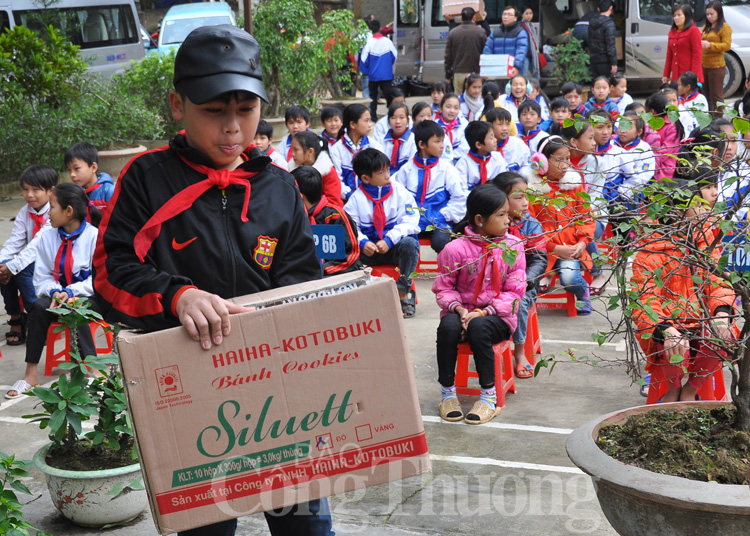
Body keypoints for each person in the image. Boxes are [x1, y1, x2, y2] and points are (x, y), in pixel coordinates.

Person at [92, 25, 335, 535]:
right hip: (191, 395)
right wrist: (176, 295)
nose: (232, 129)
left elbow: (302, 280)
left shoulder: (278, 186)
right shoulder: (145, 179)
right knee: (207, 530)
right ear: (178, 105)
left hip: (279, 397)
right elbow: (112, 272)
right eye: (213, 111)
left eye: (245, 111)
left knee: (306, 527)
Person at [632, 170, 735, 403]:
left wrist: (721, 313)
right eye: (697, 206)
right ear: (679, 212)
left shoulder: (706, 244)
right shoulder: (649, 252)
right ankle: (673, 387)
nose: (705, 209)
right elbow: (645, 302)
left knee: (721, 334)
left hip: (701, 321)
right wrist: (665, 328)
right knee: (675, 343)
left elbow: (719, 283)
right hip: (668, 327)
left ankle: (692, 388)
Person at [432, 184, 526, 424]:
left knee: (479, 327)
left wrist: (484, 311)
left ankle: (488, 396)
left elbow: (515, 292)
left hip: (498, 316)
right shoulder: (454, 250)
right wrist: (461, 309)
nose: (508, 220)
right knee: (448, 328)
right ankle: (447, 393)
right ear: (479, 220)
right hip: (461, 311)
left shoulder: (513, 246)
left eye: (508, 214)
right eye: (501, 215)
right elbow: (444, 287)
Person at [5, 183, 101, 399]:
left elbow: (98, 278)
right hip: (56, 298)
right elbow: (42, 277)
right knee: (37, 308)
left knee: (78, 307)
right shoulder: (47, 237)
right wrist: (56, 291)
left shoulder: (94, 236)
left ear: (69, 211)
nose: (48, 212)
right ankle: (30, 375)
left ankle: (92, 370)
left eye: (53, 207)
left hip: (89, 298)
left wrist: (71, 292)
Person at [345, 148, 421, 317]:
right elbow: (349, 226)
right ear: (366, 178)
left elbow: (411, 220)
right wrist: (363, 242)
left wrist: (390, 239)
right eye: (381, 172)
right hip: (369, 251)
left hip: (394, 249)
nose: (388, 175)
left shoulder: (399, 192)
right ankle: (361, 293)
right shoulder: (356, 199)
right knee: (345, 250)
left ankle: (403, 292)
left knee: (410, 244)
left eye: (387, 170)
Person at [527, 135, 595, 315]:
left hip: (571, 246)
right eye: (559, 160)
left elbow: (586, 217)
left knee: (570, 277)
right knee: (526, 278)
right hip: (540, 248)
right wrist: (553, 248)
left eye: (567, 159)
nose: (565, 165)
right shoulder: (532, 189)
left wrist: (581, 243)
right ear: (541, 162)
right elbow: (529, 228)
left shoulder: (574, 184)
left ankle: (583, 293)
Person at [491, 171, 546, 378]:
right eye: (518, 197)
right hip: (494, 285)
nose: (525, 202)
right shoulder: (492, 224)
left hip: (524, 285)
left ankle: (520, 352)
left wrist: (525, 281)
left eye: (526, 196)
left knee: (518, 302)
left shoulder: (532, 225)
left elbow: (539, 259)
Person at [0, 165, 57, 346]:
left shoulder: (55, 211)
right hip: (32, 261)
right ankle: (16, 318)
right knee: (5, 268)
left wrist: (13, 266)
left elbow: (37, 245)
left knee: (20, 268)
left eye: (35, 189)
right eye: (25, 189)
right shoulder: (25, 212)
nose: (29, 195)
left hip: (52, 263)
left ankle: (38, 317)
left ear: (50, 191)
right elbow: (15, 241)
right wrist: (2, 263)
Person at [393, 120, 467, 253]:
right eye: (437, 141)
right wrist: (409, 217)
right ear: (421, 144)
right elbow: (397, 198)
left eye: (442, 141)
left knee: (441, 242)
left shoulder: (447, 169)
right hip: (412, 220)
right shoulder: (406, 170)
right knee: (405, 242)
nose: (442, 146)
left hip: (439, 221)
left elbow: (459, 198)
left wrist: (442, 215)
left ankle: (447, 271)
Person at [554, 120, 607, 294]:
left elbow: (594, 196)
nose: (594, 142)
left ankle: (598, 272)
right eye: (590, 138)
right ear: (574, 142)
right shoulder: (557, 161)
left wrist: (575, 214)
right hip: (562, 217)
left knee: (582, 226)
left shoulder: (598, 164)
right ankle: (552, 269)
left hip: (592, 215)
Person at [294, 165, 362, 276]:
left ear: (300, 196)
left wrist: (321, 270)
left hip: (337, 277)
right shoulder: (294, 218)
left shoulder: (336, 215)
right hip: (307, 278)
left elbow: (352, 255)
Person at [330, 103, 383, 201]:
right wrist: (351, 196)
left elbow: (381, 174)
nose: (370, 124)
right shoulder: (336, 149)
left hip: (372, 198)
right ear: (352, 124)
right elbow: (336, 180)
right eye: (366, 121)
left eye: (370, 120)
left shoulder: (374, 146)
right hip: (346, 200)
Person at [290, 131, 343, 207]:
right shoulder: (292, 170)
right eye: (292, 149)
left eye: (296, 150)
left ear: (310, 151)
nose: (292, 153)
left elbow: (334, 201)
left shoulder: (327, 171)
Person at [444, 7, 487, 95]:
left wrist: (448, 73)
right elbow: (486, 53)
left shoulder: (453, 33)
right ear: (474, 18)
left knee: (459, 99)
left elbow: (448, 56)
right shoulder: (481, 32)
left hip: (458, 72)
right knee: (475, 97)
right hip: (476, 72)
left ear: (461, 18)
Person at [360, 19, 397, 121]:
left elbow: (363, 59)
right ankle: (391, 115)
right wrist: (388, 65)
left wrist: (369, 67)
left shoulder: (369, 43)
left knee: (373, 96)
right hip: (386, 74)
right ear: (379, 28)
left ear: (370, 29)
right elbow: (394, 55)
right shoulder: (387, 41)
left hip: (373, 75)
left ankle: (373, 116)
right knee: (388, 96)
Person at [455, 120, 508, 190]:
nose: (495, 140)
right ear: (479, 145)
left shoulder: (497, 157)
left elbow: (505, 181)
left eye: (494, 136)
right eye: (491, 138)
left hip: (496, 198)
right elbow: (462, 191)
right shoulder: (463, 164)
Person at [64, 141, 114, 213]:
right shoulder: (75, 194)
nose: (72, 174)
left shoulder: (109, 191)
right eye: (69, 170)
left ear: (93, 167)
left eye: (76, 168)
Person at [663, 4, 703, 86]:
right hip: (676, 74)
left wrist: (694, 75)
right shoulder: (672, 32)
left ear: (686, 16)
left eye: (679, 15)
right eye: (674, 15)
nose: (676, 18)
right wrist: (666, 74)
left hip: (688, 73)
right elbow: (669, 55)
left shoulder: (693, 30)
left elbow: (697, 54)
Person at [644, 92, 682, 180]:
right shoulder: (653, 122)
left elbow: (664, 153)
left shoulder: (672, 126)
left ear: (652, 112)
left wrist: (647, 159)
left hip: (664, 169)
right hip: (651, 162)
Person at [483, 6, 529, 77]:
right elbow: (487, 49)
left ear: (515, 18)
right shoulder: (496, 32)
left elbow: (521, 51)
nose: (505, 17)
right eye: (504, 14)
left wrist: (516, 67)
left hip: (513, 70)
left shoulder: (520, 32)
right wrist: (485, 66)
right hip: (497, 71)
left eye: (509, 15)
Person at [375, 102, 416, 174]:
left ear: (408, 120)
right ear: (388, 121)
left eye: (402, 117)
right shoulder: (381, 140)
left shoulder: (414, 140)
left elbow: (411, 166)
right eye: (393, 118)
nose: (397, 121)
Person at [488, 107, 530, 172]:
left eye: (508, 124)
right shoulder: (485, 146)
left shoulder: (518, 144)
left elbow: (527, 166)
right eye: (500, 124)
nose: (505, 128)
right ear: (490, 125)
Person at [436, 93, 470, 162]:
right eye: (448, 107)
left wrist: (450, 157)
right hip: (439, 160)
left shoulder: (464, 124)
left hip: (459, 159)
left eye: (456, 108)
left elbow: (465, 148)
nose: (452, 111)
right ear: (441, 108)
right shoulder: (435, 125)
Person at [587, 0, 618, 77]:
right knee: (605, 85)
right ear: (611, 8)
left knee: (596, 84)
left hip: (593, 60)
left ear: (598, 9)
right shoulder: (609, 24)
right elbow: (610, 45)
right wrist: (614, 63)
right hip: (605, 60)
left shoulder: (591, 22)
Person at [678, 71, 708, 136]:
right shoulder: (677, 99)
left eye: (679, 85)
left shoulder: (700, 99)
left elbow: (704, 119)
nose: (677, 87)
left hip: (696, 132)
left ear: (688, 87)